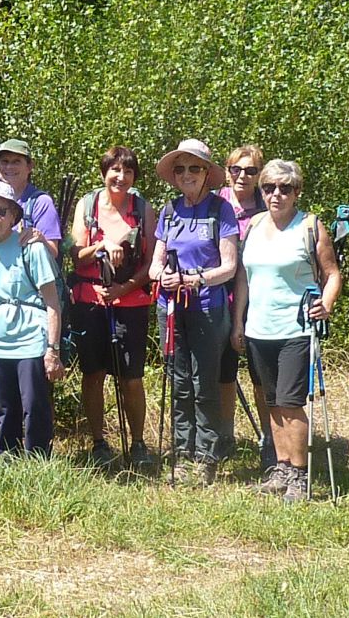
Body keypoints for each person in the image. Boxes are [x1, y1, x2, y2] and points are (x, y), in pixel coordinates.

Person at [231, 159, 342, 503]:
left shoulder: (310, 226)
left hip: (296, 328)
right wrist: (238, 323)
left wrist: (327, 303)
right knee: (271, 401)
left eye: (285, 188)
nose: (276, 194)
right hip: (258, 329)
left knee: (291, 403)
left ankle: (299, 474)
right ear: (261, 191)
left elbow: (332, 273)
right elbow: (244, 278)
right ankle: (281, 467)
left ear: (297, 192)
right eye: (269, 187)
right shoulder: (253, 225)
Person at [148, 139, 239, 486]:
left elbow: (229, 266)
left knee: (204, 383)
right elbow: (155, 264)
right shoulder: (170, 211)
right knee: (178, 380)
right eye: (181, 168)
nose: (187, 174)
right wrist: (165, 277)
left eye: (195, 168)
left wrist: (195, 279)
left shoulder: (221, 211)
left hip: (206, 308)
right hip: (170, 308)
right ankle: (181, 451)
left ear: (206, 174)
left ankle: (207, 455)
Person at [68, 146, 155, 467]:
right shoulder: (87, 205)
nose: (121, 177)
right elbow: (75, 253)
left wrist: (124, 287)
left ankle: (138, 443)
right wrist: (102, 246)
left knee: (131, 377)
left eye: (128, 171)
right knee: (93, 374)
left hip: (131, 304)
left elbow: (152, 263)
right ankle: (98, 442)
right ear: (104, 173)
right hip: (90, 303)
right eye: (115, 170)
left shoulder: (143, 208)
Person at [0, 180, 64, 454]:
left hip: (31, 339)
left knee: (34, 406)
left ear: (13, 215)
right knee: (5, 408)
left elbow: (52, 303)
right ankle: (6, 463)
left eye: (0, 211)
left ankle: (37, 462)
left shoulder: (31, 247)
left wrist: (52, 350)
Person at [216, 145, 273, 468]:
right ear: (227, 171)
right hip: (220, 299)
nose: (243, 176)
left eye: (251, 171)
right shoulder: (216, 203)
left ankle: (269, 438)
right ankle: (225, 436)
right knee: (223, 373)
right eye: (236, 169)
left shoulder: (269, 204)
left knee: (260, 375)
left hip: (259, 301)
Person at [0, 139, 60, 260]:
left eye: (16, 162)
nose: (9, 167)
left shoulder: (41, 202)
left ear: (29, 167)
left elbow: (53, 252)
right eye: (5, 161)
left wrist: (41, 239)